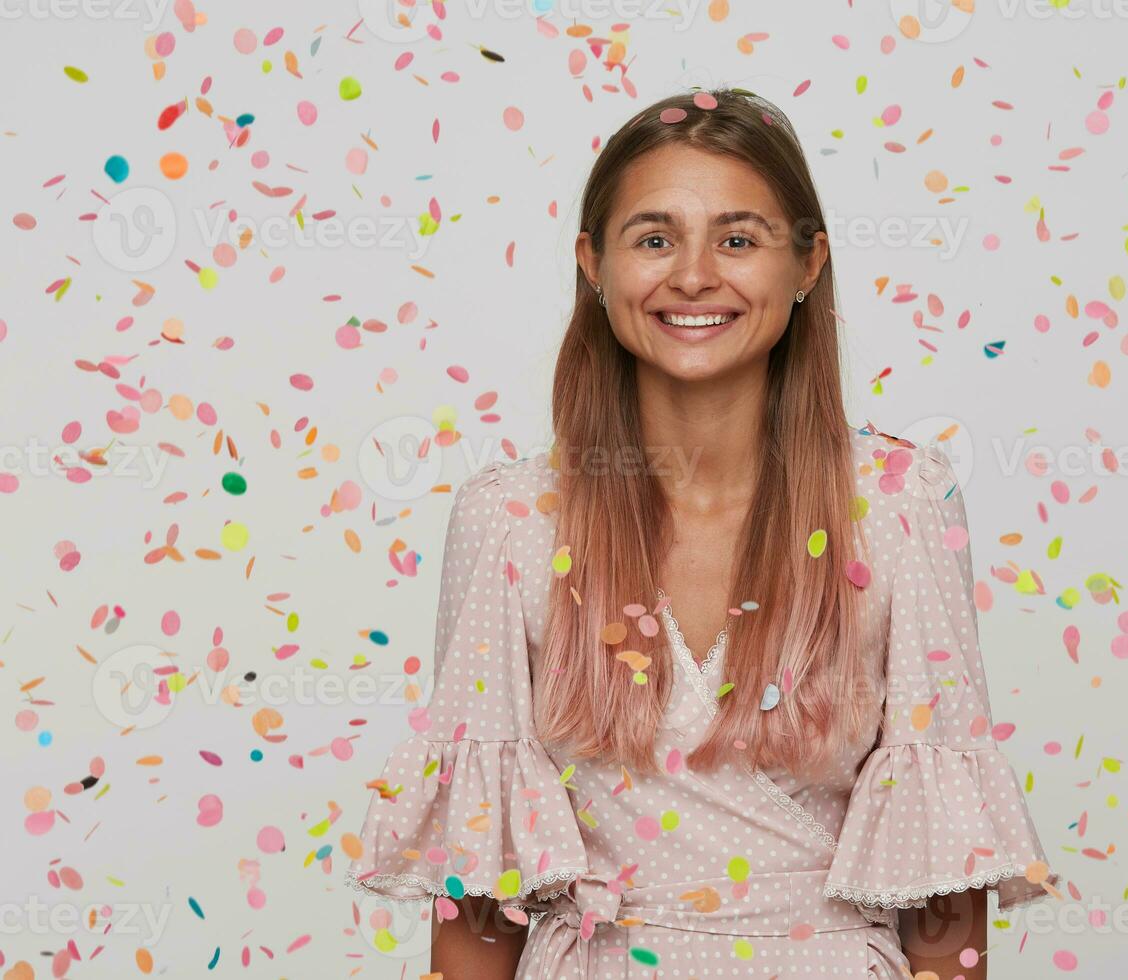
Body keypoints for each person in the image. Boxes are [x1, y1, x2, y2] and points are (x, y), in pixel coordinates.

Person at [345, 87, 1056, 978]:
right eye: (653, 238)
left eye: (738, 238)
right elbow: (481, 888)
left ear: (806, 266)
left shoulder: (901, 504)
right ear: (593, 265)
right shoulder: (511, 519)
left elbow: (944, 873)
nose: (692, 276)